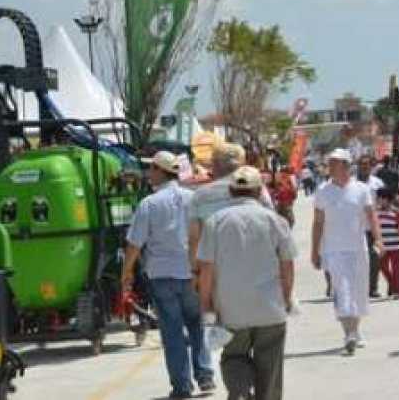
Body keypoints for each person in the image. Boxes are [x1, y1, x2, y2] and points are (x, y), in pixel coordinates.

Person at [198, 167, 296, 400]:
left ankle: (240, 390)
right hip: (270, 308)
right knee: (270, 365)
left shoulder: (215, 222)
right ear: (259, 191)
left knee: (233, 356)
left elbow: (206, 270)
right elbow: (287, 265)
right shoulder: (275, 221)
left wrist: (207, 305)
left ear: (231, 191)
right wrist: (287, 297)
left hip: (232, 309)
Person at [123, 151, 214, 399]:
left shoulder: (149, 204)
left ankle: (182, 387)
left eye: (151, 168)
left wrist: (126, 273)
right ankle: (205, 376)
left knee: (172, 331)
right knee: (197, 325)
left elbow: (134, 244)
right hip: (192, 272)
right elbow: (207, 234)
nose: (148, 173)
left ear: (161, 171)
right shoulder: (194, 199)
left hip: (162, 275)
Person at [311, 149, 384, 356]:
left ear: (345, 166)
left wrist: (378, 239)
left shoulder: (361, 189)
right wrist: (314, 251)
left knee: (359, 292)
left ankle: (355, 329)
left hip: (358, 248)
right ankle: (349, 333)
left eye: (334, 163)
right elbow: (317, 223)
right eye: (329, 163)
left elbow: (372, 216)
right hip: (333, 250)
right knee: (342, 291)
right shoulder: (322, 191)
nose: (330, 167)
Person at [189, 143, 274, 270]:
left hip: (214, 270)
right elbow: (271, 224)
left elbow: (194, 238)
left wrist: (195, 270)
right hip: (254, 266)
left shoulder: (200, 195)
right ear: (241, 165)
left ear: (215, 165)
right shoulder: (257, 189)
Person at [356, 155, 385, 298]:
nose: (364, 167)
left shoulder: (377, 183)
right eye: (361, 164)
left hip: (374, 227)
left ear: (371, 166)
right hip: (356, 228)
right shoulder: (351, 184)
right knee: (358, 259)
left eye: (367, 165)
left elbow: (385, 200)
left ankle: (372, 288)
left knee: (374, 257)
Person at [376, 188, 399, 299]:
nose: (379, 201)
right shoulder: (376, 213)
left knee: (396, 269)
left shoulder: (395, 212)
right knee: (383, 267)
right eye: (378, 198)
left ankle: (397, 292)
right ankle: (392, 284)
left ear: (388, 199)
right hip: (383, 246)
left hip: (395, 245)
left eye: (382, 199)